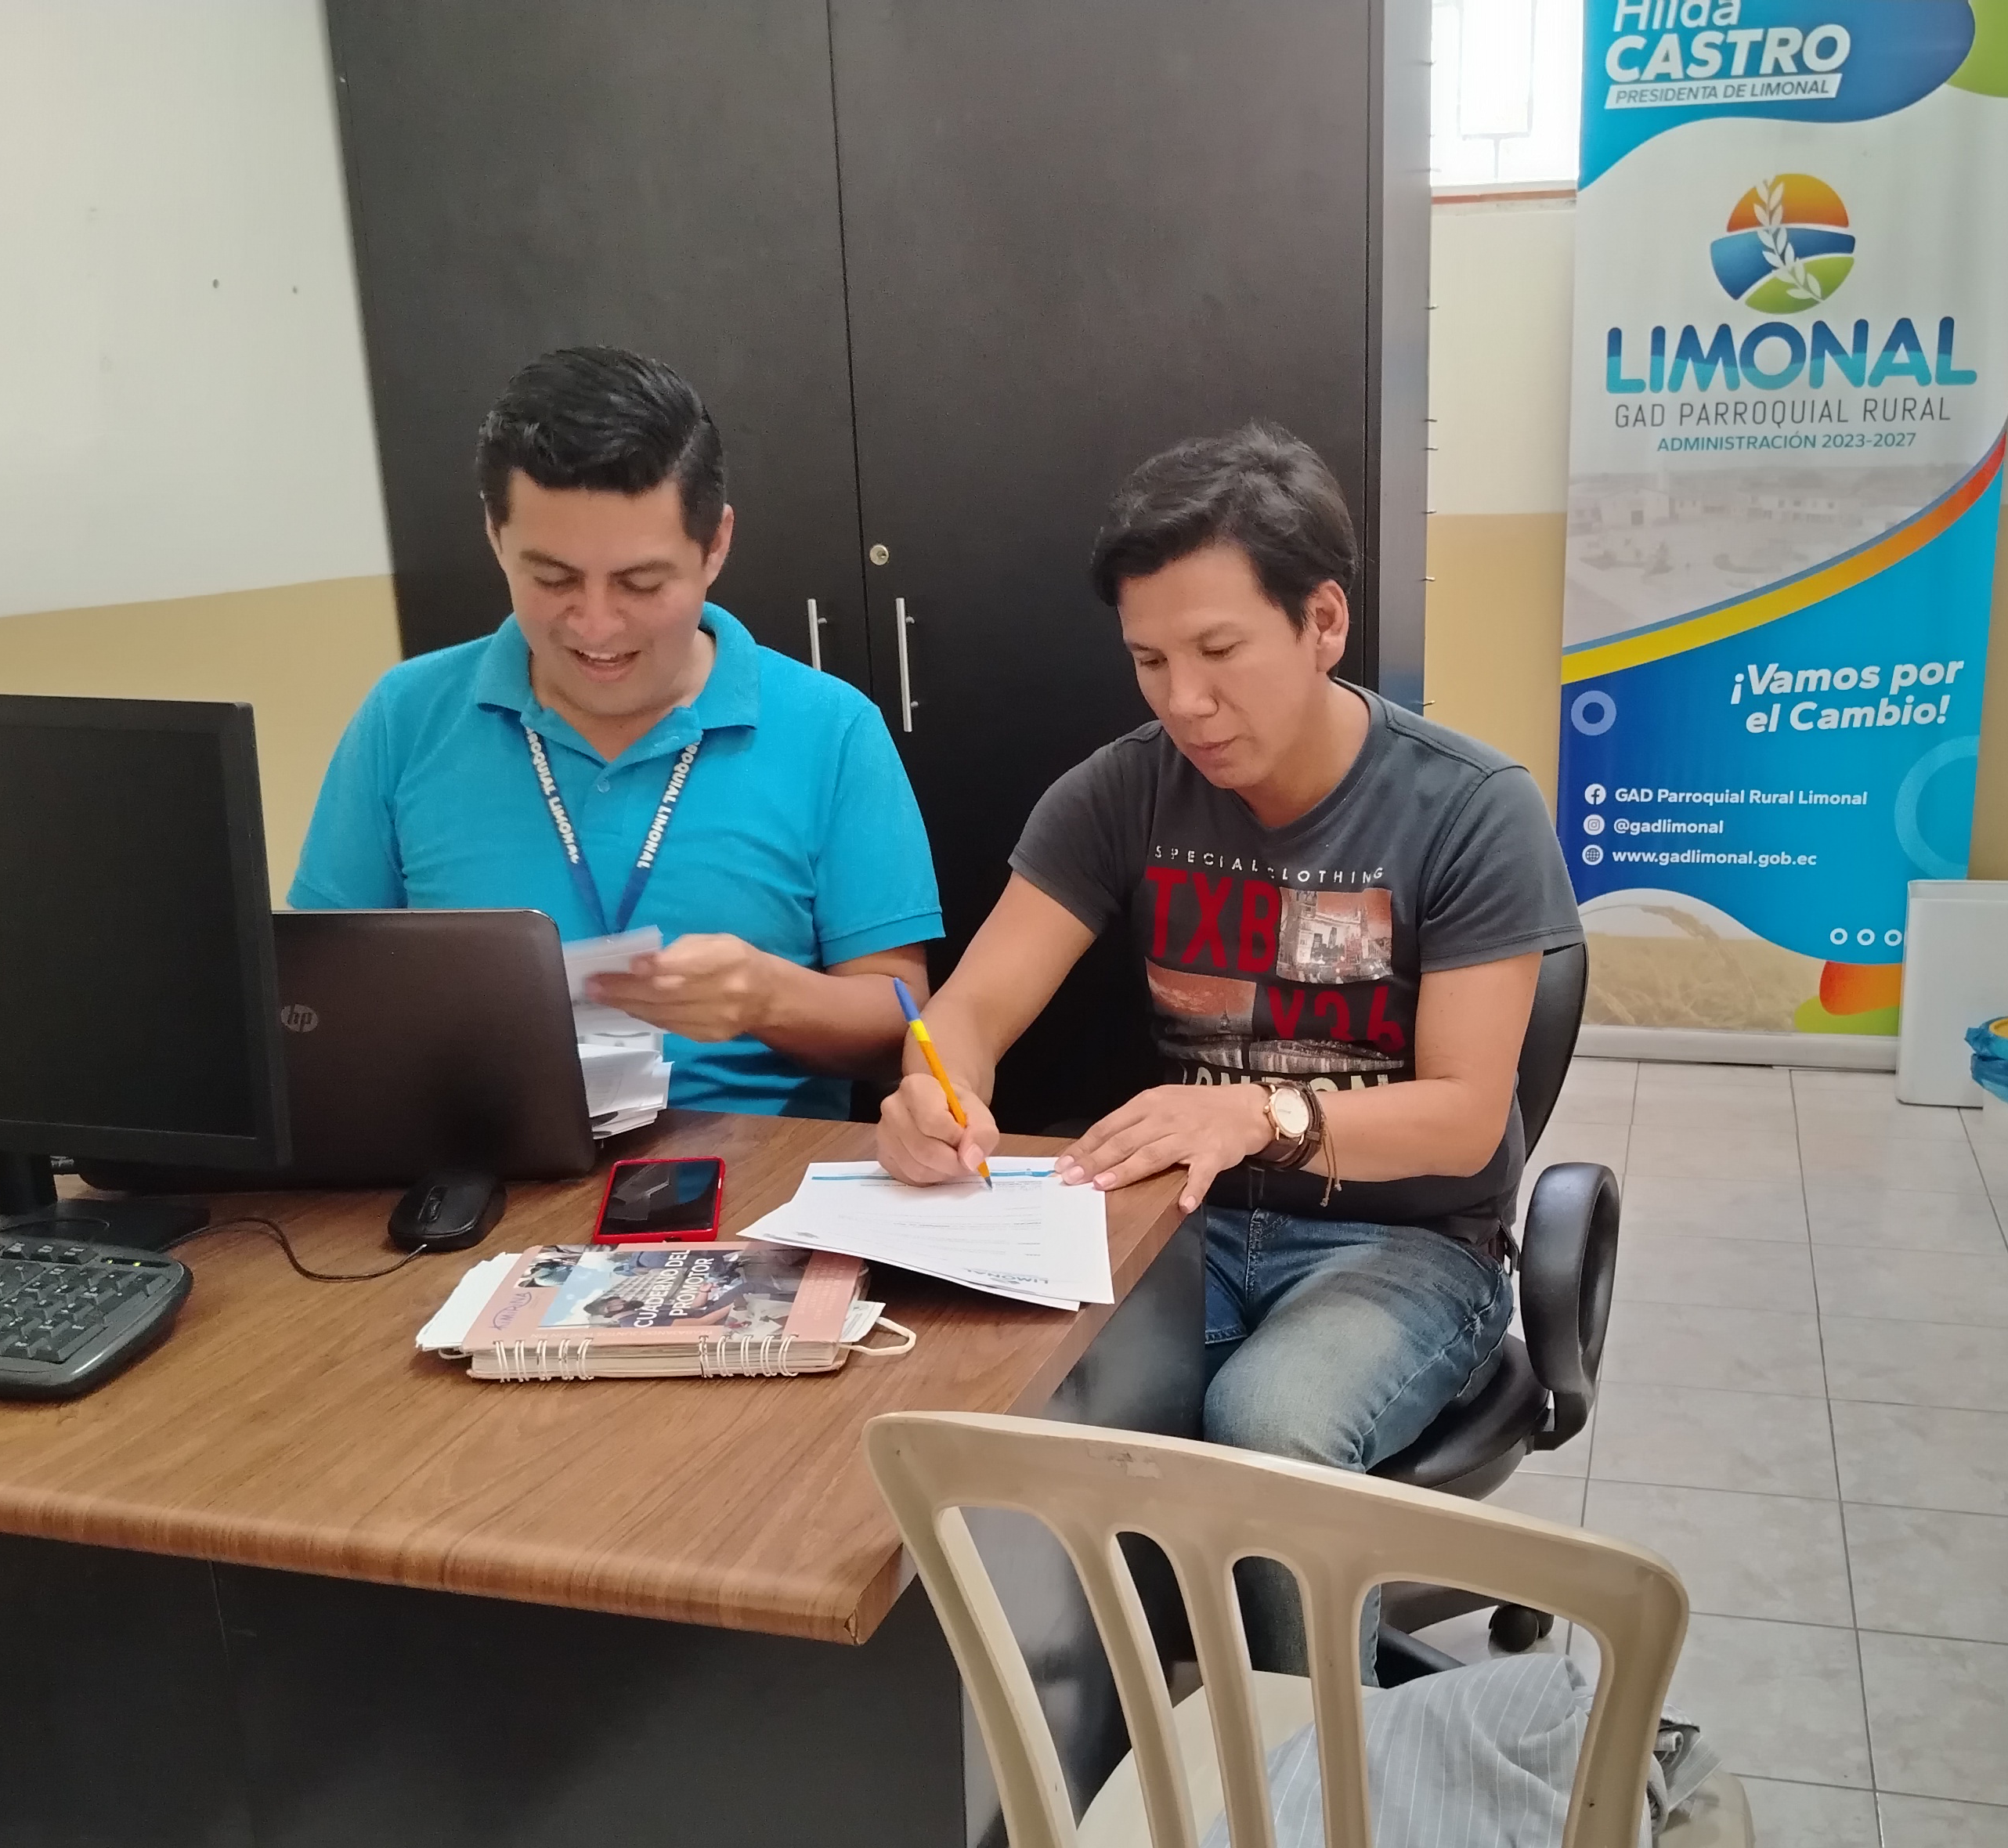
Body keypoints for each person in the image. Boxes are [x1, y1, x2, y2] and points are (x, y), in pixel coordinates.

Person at [876, 423, 1580, 1669]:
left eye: (1218, 652)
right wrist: (932, 1089)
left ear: (1323, 622)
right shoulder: (1123, 791)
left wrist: (1257, 1115)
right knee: (1002, 1412)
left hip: (1406, 1244)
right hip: (1180, 1231)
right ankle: (1095, 1746)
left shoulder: (1470, 809)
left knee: (1265, 1428)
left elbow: (1466, 1115)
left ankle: (1316, 1770)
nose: (1182, 701)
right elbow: (970, 1013)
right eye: (1149, 660)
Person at [291, 347, 940, 1117]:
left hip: (748, 1160)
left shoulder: (831, 729)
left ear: (715, 546)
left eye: (640, 583)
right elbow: (310, 999)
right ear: (496, 536)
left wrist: (769, 997)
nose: (595, 626)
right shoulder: (406, 716)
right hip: (479, 1154)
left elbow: (902, 1024)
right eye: (553, 579)